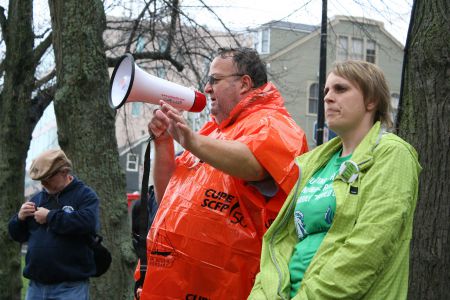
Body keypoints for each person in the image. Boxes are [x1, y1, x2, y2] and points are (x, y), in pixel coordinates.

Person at [138, 47, 308, 299]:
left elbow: (254, 164)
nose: (207, 88)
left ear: (244, 83)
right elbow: (168, 198)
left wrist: (192, 141)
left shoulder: (276, 124)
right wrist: (164, 142)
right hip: (175, 286)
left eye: (214, 80)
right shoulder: (212, 132)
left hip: (228, 288)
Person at [248, 60, 422, 300]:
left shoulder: (392, 154)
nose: (328, 98)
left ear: (371, 100)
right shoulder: (312, 163)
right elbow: (279, 246)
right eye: (326, 91)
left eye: (341, 89)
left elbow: (369, 247)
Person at [8, 149, 100, 300]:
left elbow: (88, 223)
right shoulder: (37, 199)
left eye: (47, 178)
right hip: (35, 286)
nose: (43, 183)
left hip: (70, 287)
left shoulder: (85, 195)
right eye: (41, 180)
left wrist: (50, 217)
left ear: (64, 172)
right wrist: (19, 219)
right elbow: (18, 236)